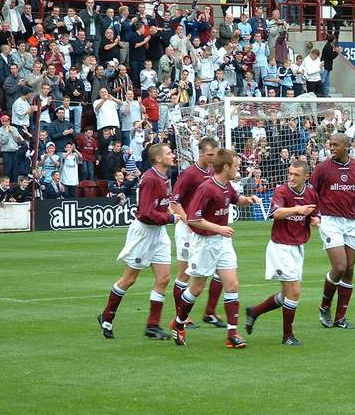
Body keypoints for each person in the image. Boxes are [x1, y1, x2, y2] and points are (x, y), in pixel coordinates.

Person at [171, 149, 261, 348]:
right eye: (236, 166)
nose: (238, 169)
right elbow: (194, 219)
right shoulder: (206, 188)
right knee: (196, 288)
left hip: (222, 242)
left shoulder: (227, 185)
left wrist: (249, 199)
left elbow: (236, 199)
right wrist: (219, 228)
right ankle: (178, 324)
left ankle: (232, 335)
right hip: (204, 243)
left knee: (232, 285)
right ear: (226, 167)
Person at [98, 143, 185, 340]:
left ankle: (152, 325)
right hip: (144, 232)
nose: (173, 155)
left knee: (163, 278)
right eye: (169, 153)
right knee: (129, 279)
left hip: (159, 233)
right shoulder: (150, 178)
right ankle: (107, 315)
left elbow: (162, 205)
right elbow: (145, 213)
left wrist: (171, 214)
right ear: (158, 159)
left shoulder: (166, 175)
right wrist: (169, 218)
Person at [310, 133, 355, 329]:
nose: (331, 148)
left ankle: (340, 318)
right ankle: (325, 306)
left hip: (351, 222)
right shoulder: (322, 168)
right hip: (330, 221)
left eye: (335, 145)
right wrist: (312, 215)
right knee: (340, 266)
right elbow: (311, 194)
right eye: (330, 145)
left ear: (346, 146)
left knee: (350, 269)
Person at [245, 160, 319, 346]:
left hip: (298, 247)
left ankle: (254, 312)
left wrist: (315, 219)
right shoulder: (281, 191)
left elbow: (313, 213)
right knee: (294, 292)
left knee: (287, 295)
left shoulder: (310, 193)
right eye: (290, 173)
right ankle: (287, 336)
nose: (291, 177)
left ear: (306, 177)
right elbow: (275, 214)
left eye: (296, 174)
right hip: (281, 247)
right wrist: (298, 209)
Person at [170, 137, 226, 329]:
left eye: (215, 155)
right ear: (200, 153)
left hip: (206, 230)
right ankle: (181, 317)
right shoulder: (189, 174)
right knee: (184, 274)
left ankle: (210, 312)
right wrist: (189, 222)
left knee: (221, 271)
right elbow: (174, 203)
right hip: (188, 230)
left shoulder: (213, 172)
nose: (213, 158)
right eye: (210, 155)